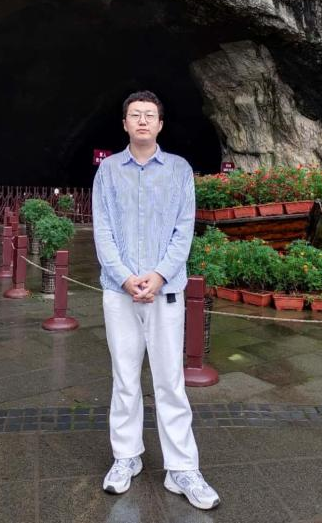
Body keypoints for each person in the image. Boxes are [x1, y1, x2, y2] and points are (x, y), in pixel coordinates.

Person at [92, 90, 220, 510]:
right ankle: (125, 457)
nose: (143, 120)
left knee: (169, 380)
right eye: (135, 114)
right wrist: (127, 277)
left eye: (150, 114)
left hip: (166, 290)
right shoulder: (108, 171)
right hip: (119, 291)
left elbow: (184, 230)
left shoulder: (179, 170)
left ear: (161, 124)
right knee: (125, 378)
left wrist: (160, 274)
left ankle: (181, 468)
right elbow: (103, 231)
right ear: (125, 123)